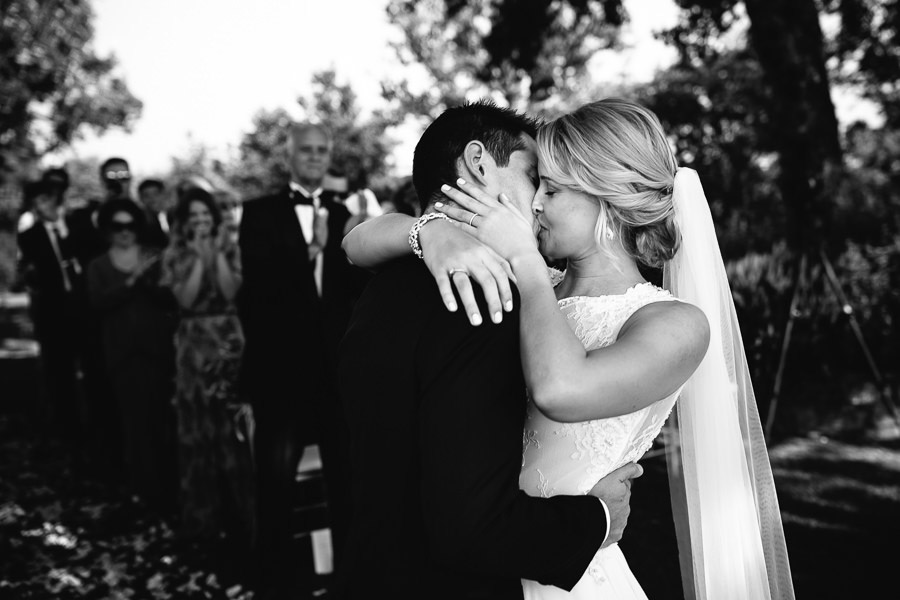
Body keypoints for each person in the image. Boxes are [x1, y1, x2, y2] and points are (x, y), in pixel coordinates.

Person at [342, 98, 795, 599]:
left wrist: (524, 262)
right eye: (537, 183)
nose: (534, 204)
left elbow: (560, 388)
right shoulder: (505, 282)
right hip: (504, 556)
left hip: (568, 577)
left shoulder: (673, 322)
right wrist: (432, 228)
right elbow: (355, 242)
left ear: (607, 196)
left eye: (551, 189)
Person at [337, 101, 642, 599]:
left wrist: (428, 229)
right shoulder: (483, 294)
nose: (540, 200)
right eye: (533, 176)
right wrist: (597, 519)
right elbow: (471, 526)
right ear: (479, 163)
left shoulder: (385, 283)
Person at [238, 121, 366, 597]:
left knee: (344, 480)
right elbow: (257, 289)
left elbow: (353, 291)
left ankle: (349, 581)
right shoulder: (258, 213)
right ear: (289, 156)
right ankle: (271, 582)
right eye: (305, 151)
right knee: (275, 483)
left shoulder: (343, 211)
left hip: (334, 373)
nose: (314, 158)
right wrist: (312, 248)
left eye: (320, 151)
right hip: (279, 372)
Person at [160, 186, 255, 552]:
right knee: (198, 426)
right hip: (193, 343)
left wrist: (214, 254)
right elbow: (185, 297)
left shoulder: (232, 247)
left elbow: (232, 291)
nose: (201, 221)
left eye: (206, 215)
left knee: (232, 428)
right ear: (184, 222)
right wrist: (199, 258)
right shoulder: (175, 254)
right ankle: (203, 519)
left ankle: (243, 517)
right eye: (194, 216)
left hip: (229, 339)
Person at [86, 198, 177, 512]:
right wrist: (132, 280)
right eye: (117, 226)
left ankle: (169, 490)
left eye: (130, 225)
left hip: (157, 351)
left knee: (163, 420)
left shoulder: (154, 256)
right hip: (122, 356)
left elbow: (169, 298)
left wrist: (148, 279)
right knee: (134, 424)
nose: (124, 232)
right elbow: (97, 303)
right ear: (107, 229)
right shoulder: (98, 266)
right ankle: (143, 491)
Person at [16, 179, 87, 444]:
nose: (42, 207)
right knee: (60, 374)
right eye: (37, 203)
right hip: (54, 313)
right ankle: (68, 432)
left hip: (85, 309)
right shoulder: (30, 236)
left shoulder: (78, 226)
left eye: (46, 200)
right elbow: (30, 276)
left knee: (93, 370)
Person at [137, 178, 171, 250]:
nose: (152, 199)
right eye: (146, 196)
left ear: (163, 195)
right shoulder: (140, 225)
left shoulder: (174, 218)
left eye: (156, 194)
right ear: (141, 199)